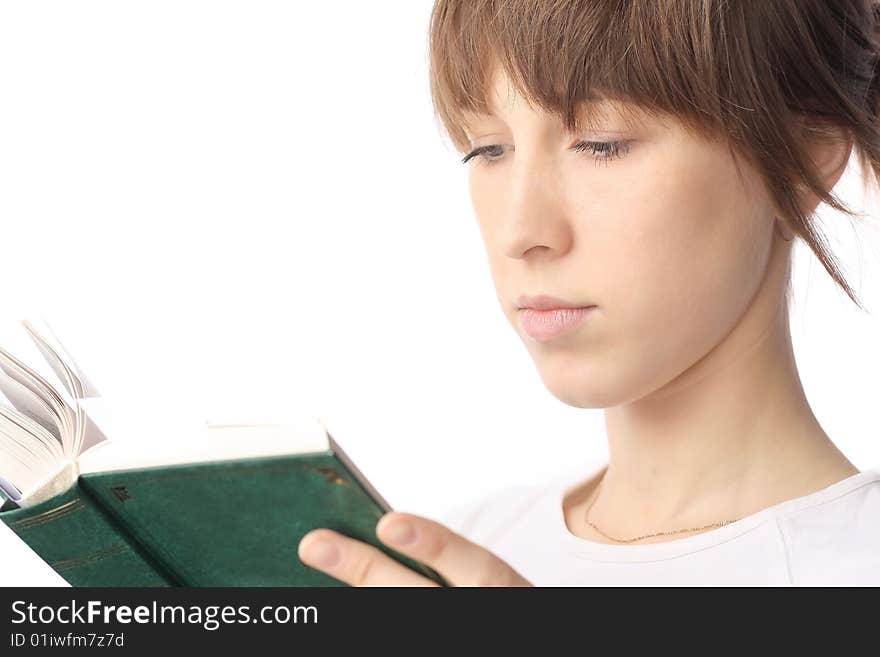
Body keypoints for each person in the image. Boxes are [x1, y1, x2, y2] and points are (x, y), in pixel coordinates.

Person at [297, 0, 880, 585]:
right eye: (489, 149)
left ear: (807, 155)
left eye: (601, 143)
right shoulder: (458, 551)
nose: (521, 233)